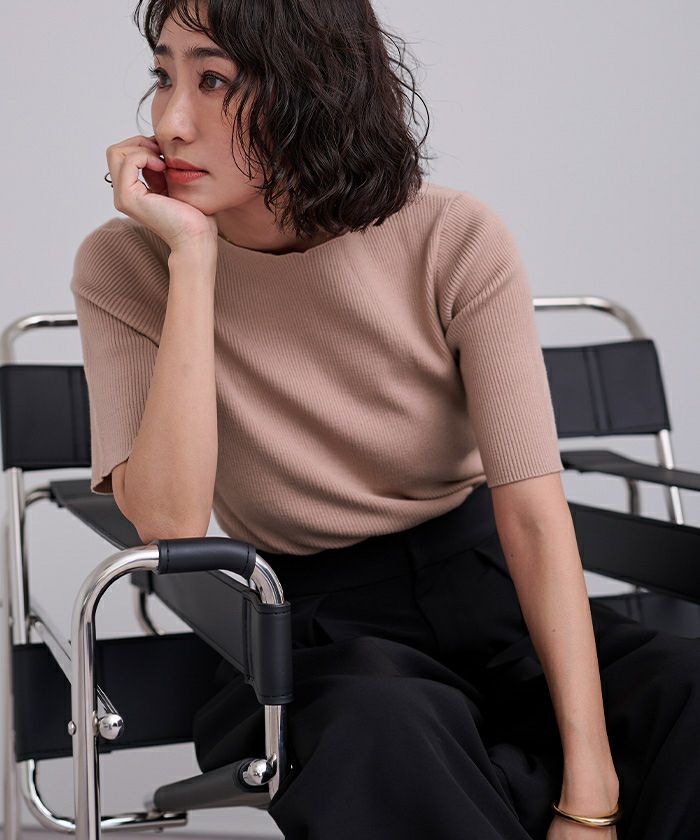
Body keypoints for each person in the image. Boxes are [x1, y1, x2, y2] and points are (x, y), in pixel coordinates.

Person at [70, 1, 699, 838]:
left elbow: (533, 516)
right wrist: (192, 260)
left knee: (684, 689)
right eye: (163, 75)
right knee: (384, 727)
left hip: (494, 589)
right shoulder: (126, 263)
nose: (170, 121)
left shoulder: (451, 234)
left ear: (311, 86)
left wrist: (592, 796)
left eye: (213, 79)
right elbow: (170, 523)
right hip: (315, 622)